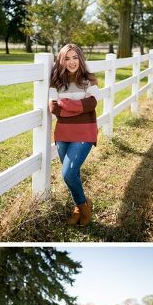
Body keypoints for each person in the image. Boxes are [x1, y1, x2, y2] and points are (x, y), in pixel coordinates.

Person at [48, 44, 100, 226]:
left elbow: (92, 104)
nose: (71, 62)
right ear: (61, 60)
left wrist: (66, 104)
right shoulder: (56, 81)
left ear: (81, 58)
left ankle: (81, 208)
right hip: (63, 133)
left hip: (85, 132)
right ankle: (84, 203)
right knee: (72, 173)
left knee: (68, 173)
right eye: (67, 58)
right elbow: (54, 108)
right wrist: (79, 107)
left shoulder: (89, 79)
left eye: (75, 57)